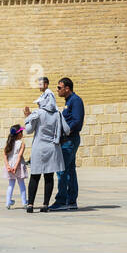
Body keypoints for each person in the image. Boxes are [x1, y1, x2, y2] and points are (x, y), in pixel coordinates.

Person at [21, 78, 65, 212]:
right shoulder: (57, 114)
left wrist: (27, 116)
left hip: (39, 148)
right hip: (52, 147)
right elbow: (65, 129)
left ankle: (30, 205)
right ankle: (45, 205)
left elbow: (28, 130)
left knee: (35, 175)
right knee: (49, 176)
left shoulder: (39, 113)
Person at [50, 77, 84, 210]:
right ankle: (71, 200)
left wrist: (66, 130)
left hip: (69, 140)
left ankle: (62, 201)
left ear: (67, 88)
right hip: (66, 140)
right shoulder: (68, 101)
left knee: (61, 170)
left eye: (59, 87)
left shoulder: (75, 101)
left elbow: (77, 120)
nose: (57, 90)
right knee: (69, 170)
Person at [3, 125, 28, 209]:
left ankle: (8, 202)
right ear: (19, 134)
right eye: (21, 132)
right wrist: (16, 166)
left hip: (9, 165)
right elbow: (19, 156)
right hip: (18, 165)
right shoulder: (22, 143)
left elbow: (5, 155)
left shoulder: (9, 143)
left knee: (11, 185)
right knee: (21, 184)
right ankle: (24, 202)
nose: (22, 133)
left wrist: (8, 166)